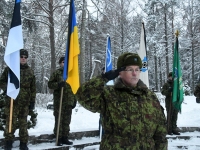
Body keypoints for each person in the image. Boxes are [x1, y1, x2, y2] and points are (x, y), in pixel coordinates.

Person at [76, 52, 168, 149]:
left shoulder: (150, 96)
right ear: (120, 72)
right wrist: (104, 78)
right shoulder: (108, 94)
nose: (134, 73)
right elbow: (83, 96)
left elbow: (160, 133)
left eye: (137, 69)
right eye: (130, 69)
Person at [0, 49, 36, 150]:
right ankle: (8, 142)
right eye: (21, 57)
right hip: (12, 101)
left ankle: (23, 143)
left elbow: (33, 88)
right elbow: (1, 81)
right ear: (18, 57)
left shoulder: (30, 71)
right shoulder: (11, 69)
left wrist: (32, 101)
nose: (23, 59)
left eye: (25, 57)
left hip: (25, 102)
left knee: (23, 123)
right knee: (10, 122)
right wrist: (7, 88)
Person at [48, 56, 76, 146]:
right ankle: (58, 137)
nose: (64, 64)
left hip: (69, 101)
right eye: (63, 62)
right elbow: (50, 84)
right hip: (59, 101)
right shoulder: (56, 73)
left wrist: (74, 99)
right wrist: (58, 84)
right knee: (59, 119)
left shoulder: (71, 74)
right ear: (60, 63)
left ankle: (65, 137)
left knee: (67, 120)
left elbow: (75, 88)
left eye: (66, 62)